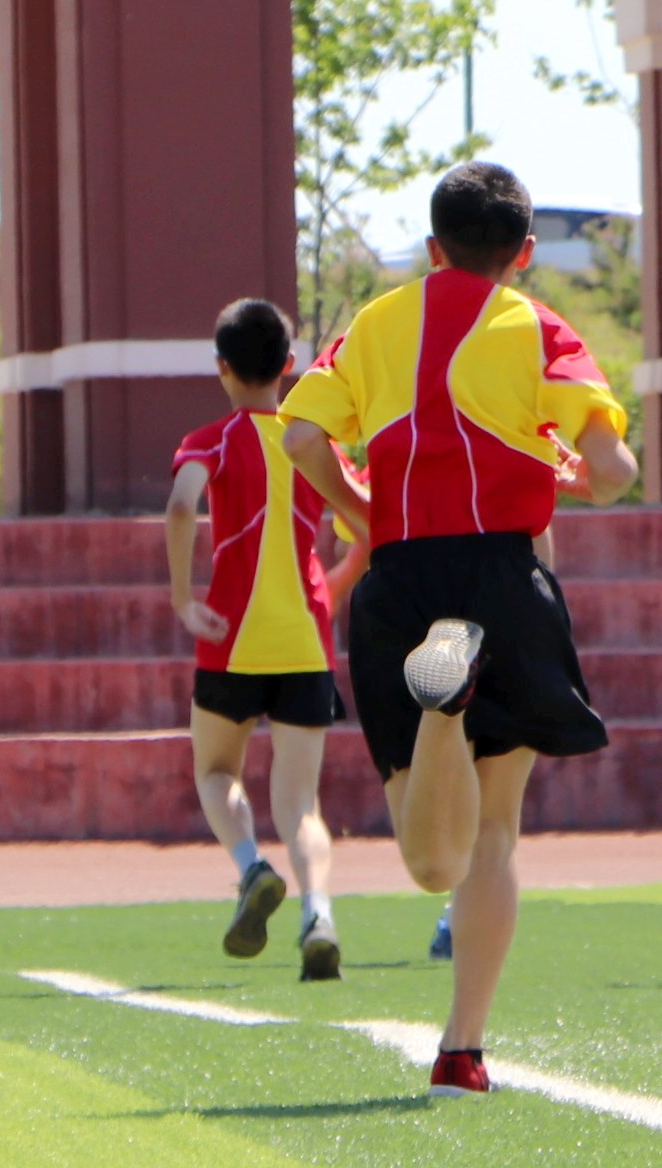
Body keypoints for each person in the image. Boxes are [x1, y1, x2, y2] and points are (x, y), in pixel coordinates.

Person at [280, 162, 637, 1097]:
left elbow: (302, 437)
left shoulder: (374, 324)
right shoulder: (536, 327)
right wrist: (561, 467)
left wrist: (358, 509)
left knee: (427, 854)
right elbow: (615, 471)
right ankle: (462, 1049)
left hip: (399, 579)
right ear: (523, 254)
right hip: (503, 578)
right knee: (493, 839)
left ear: (432, 249)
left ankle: (445, 707)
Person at [165, 298, 357, 977]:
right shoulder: (314, 442)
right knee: (301, 801)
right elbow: (365, 529)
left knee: (217, 771)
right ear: (290, 365)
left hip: (232, 634)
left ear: (221, 367)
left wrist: (184, 598)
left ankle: (251, 870)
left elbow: (183, 502)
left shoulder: (210, 440)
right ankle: (319, 913)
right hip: (306, 634)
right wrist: (333, 589)